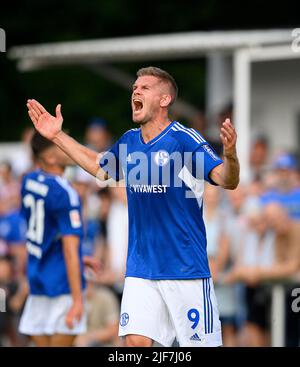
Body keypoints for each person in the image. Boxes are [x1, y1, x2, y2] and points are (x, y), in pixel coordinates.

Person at [26, 66, 240, 347]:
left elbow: (227, 179)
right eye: (135, 87)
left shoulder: (183, 139)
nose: (135, 91)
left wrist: (231, 155)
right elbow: (99, 168)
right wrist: (57, 136)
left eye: (145, 88)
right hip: (141, 270)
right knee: (135, 344)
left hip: (185, 270)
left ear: (164, 100)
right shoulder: (129, 141)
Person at [18, 132, 87, 347]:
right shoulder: (64, 192)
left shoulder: (28, 180)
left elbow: (43, 235)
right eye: (59, 144)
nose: (67, 145)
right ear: (50, 157)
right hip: (61, 286)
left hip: (37, 278)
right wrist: (77, 300)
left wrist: (81, 259)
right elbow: (68, 249)